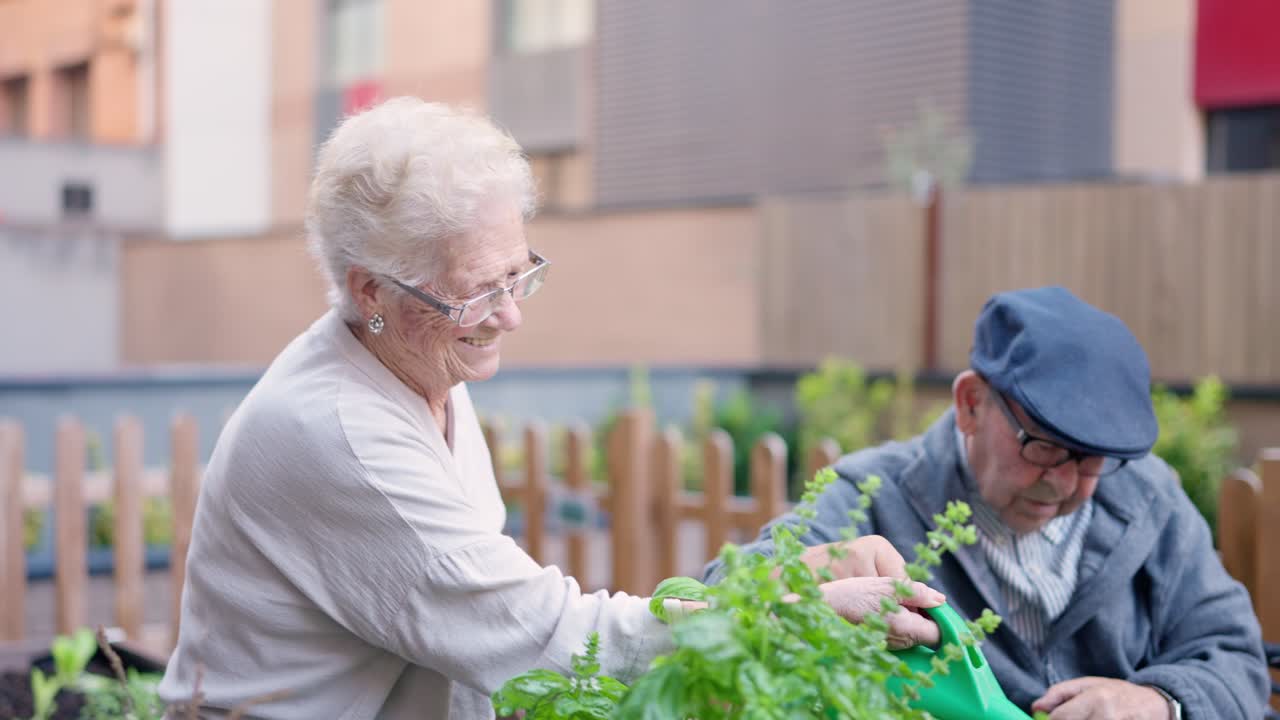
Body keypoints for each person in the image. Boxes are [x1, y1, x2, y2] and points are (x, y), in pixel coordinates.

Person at [157, 97, 943, 719]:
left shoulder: (419, 373)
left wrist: (782, 583)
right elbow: (549, 641)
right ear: (371, 291)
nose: (512, 315)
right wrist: (787, 607)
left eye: (519, 274)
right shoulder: (340, 434)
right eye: (478, 292)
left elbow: (487, 629)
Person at [706, 286, 1270, 719]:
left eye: (1094, 459)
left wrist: (1155, 700)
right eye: (1045, 446)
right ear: (971, 404)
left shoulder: (1152, 498)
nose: (1066, 482)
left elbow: (1235, 659)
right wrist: (808, 582)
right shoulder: (867, 497)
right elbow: (712, 608)